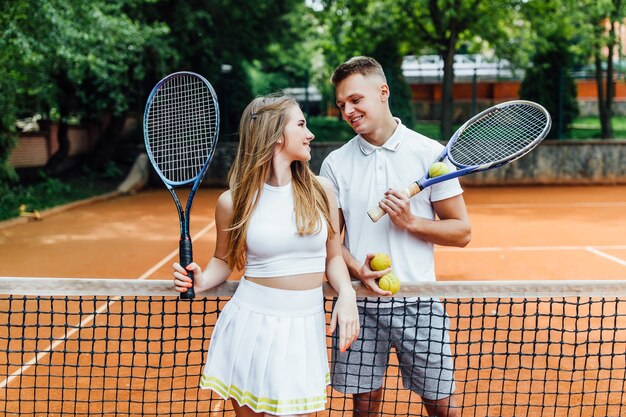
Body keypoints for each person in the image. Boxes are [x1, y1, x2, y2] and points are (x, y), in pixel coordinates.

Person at [173, 93, 359, 417]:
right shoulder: (233, 201)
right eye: (301, 124)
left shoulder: (322, 191)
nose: (309, 133)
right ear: (275, 133)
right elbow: (223, 261)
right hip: (250, 327)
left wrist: (346, 293)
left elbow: (333, 257)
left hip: (304, 328)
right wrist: (202, 281)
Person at [319, 56, 471, 417]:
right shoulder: (334, 165)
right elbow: (330, 243)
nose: (348, 111)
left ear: (383, 92)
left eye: (356, 100)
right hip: (360, 304)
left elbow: (462, 231)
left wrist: (411, 223)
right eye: (342, 105)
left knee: (441, 406)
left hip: (419, 301)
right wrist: (357, 268)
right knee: (365, 407)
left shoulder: (431, 154)